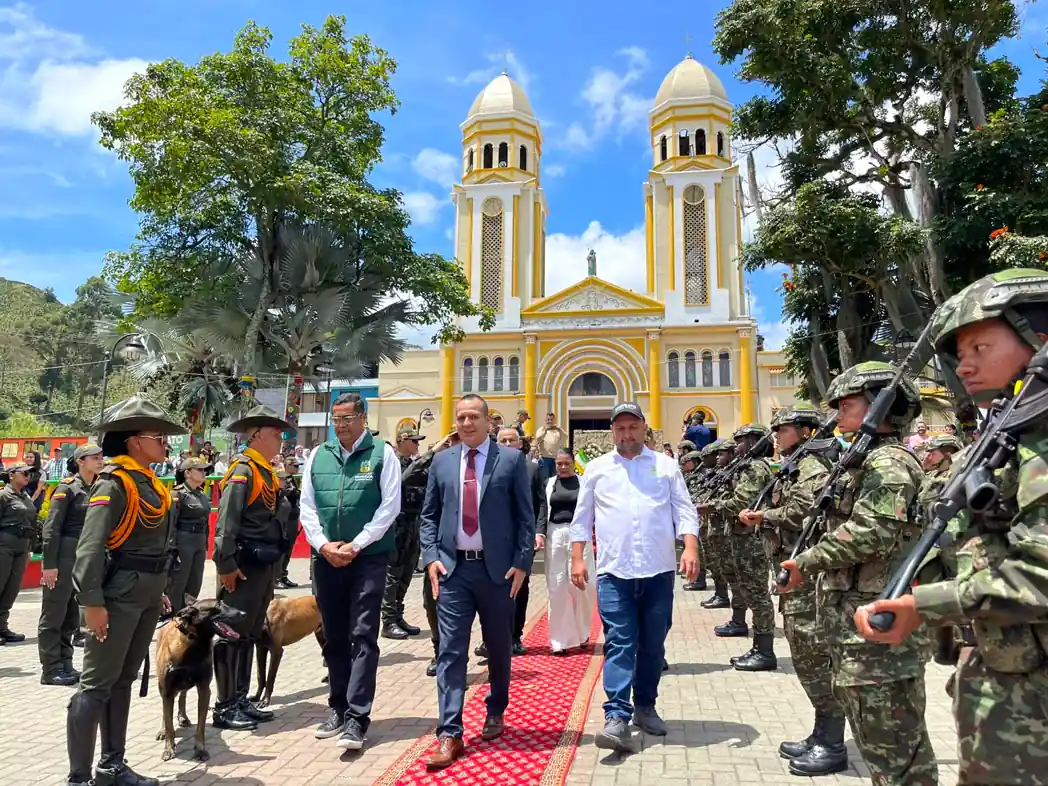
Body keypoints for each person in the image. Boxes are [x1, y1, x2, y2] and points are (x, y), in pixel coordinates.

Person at [855, 268, 1048, 785]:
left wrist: (925, 605)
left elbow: (1042, 574)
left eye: (980, 347)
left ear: (1039, 338)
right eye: (959, 353)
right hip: (1007, 687)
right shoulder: (1014, 432)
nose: (963, 364)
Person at [781, 362, 937, 785]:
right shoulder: (862, 458)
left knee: (896, 750)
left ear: (879, 406)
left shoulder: (888, 463)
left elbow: (872, 531)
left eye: (847, 404)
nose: (837, 413)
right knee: (877, 742)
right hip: (856, 622)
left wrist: (807, 561)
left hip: (880, 629)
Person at [65, 394, 183, 786]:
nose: (165, 443)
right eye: (158, 436)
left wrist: (159, 588)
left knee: (122, 680)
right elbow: (90, 549)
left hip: (145, 594)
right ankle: (79, 778)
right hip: (115, 598)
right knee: (96, 684)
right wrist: (91, 603)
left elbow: (150, 545)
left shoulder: (148, 483)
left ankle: (112, 766)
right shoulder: (113, 484)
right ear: (134, 441)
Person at [569, 402, 700, 752]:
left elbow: (684, 510)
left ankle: (645, 705)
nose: (627, 434)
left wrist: (690, 548)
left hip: (658, 571)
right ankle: (616, 716)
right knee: (620, 642)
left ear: (644, 428)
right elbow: (581, 518)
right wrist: (578, 557)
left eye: (633, 427)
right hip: (615, 572)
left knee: (653, 644)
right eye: (620, 428)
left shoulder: (666, 466)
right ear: (613, 431)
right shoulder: (596, 470)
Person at [419, 394, 534, 770]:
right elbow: (429, 516)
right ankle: (450, 732)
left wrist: (522, 563)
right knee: (451, 651)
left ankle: (495, 709)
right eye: (461, 417)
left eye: (473, 417)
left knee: (499, 646)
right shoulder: (442, 461)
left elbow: (524, 517)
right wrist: (432, 557)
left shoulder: (511, 460)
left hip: (498, 572)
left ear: (488, 422)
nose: (466, 423)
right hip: (454, 572)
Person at [738, 405, 846, 775]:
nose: (776, 435)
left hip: (807, 575)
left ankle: (833, 743)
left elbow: (803, 512)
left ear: (803, 431)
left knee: (813, 657)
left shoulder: (813, 469)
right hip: (791, 569)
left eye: (781, 429)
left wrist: (763, 517)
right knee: (805, 656)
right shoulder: (794, 466)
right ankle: (821, 734)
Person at [300, 392, 401, 751]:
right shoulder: (318, 455)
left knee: (363, 635)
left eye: (347, 419)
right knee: (334, 636)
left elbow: (390, 507)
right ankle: (338, 708)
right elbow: (307, 506)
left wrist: (356, 544)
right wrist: (323, 545)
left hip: (368, 558)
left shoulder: (383, 453)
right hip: (326, 558)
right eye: (336, 419)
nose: (340, 426)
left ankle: (358, 718)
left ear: (363, 419)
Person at [211, 405, 296, 732]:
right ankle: (224, 705)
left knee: (248, 633)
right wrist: (226, 565)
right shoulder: (243, 470)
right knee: (229, 634)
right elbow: (226, 523)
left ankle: (240, 698)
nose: (280, 440)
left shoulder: (265, 471)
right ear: (257, 435)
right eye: (275, 434)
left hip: (261, 566)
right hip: (242, 567)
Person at [38, 444, 104, 685]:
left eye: (101, 457)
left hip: (82, 559)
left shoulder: (97, 487)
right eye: (94, 458)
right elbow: (51, 527)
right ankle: (50, 668)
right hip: (64, 556)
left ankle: (65, 663)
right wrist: (49, 564)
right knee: (53, 615)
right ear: (80, 461)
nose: (100, 461)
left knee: (71, 616)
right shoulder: (67, 489)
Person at [401, 428, 460, 678]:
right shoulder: (432, 470)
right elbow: (406, 478)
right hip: (438, 549)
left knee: (464, 609)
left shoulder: (473, 467)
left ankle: (459, 658)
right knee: (432, 604)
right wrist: (434, 451)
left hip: (470, 548)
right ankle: (439, 653)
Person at [719, 423, 777, 671]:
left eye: (740, 440)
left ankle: (765, 652)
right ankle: (759, 647)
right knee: (749, 590)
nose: (736, 446)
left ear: (753, 441)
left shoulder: (755, 467)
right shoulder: (746, 466)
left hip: (752, 538)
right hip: (743, 535)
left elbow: (741, 500)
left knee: (758, 594)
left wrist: (711, 505)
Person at [488, 427, 545, 655]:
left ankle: (515, 636)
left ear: (520, 444)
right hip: (494, 540)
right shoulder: (487, 468)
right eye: (503, 440)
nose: (507, 443)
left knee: (519, 589)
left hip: (522, 539)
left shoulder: (532, 468)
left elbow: (541, 502)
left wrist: (538, 532)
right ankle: (491, 638)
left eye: (512, 440)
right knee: (492, 590)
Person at [539, 448, 594, 654]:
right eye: (559, 464)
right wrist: (540, 533)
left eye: (566, 463)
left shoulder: (584, 483)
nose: (562, 467)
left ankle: (582, 632)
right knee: (557, 585)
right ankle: (560, 640)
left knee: (585, 585)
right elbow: (543, 510)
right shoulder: (549, 484)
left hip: (579, 534)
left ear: (573, 463)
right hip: (555, 533)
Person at [381, 426, 426, 640]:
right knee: (394, 572)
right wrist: (430, 454)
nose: (417, 445)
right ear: (402, 441)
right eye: (414, 441)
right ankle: (388, 620)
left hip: (413, 520)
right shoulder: (394, 462)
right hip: (397, 523)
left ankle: (398, 615)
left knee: (407, 571)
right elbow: (404, 480)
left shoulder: (411, 462)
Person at [164, 456, 212, 616]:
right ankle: (172, 615)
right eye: (199, 469)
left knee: (195, 580)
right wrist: (172, 549)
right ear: (187, 473)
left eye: (204, 469)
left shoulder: (201, 494)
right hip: (183, 541)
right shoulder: (178, 494)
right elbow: (171, 523)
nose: (203, 472)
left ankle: (187, 613)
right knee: (179, 581)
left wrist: (205, 545)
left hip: (198, 541)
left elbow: (206, 522)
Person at [0, 462, 37, 645]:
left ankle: (2, 627)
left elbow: (32, 523)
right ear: (12, 474)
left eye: (29, 473)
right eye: (23, 473)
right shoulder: (3, 495)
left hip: (21, 547)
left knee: (11, 589)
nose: (27, 476)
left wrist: (30, 548)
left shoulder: (25, 497)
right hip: (4, 546)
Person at [680, 449, 708, 591]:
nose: (684, 465)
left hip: (703, 517)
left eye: (686, 462)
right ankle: (697, 579)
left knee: (702, 553)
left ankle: (699, 581)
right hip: (695, 516)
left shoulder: (702, 475)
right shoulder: (691, 475)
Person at [275, 458, 302, 590]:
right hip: (284, 519)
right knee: (282, 549)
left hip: (292, 517)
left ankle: (283, 575)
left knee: (289, 549)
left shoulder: (292, 479)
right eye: (295, 466)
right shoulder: (280, 478)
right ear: (287, 465)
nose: (297, 468)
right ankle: (277, 577)